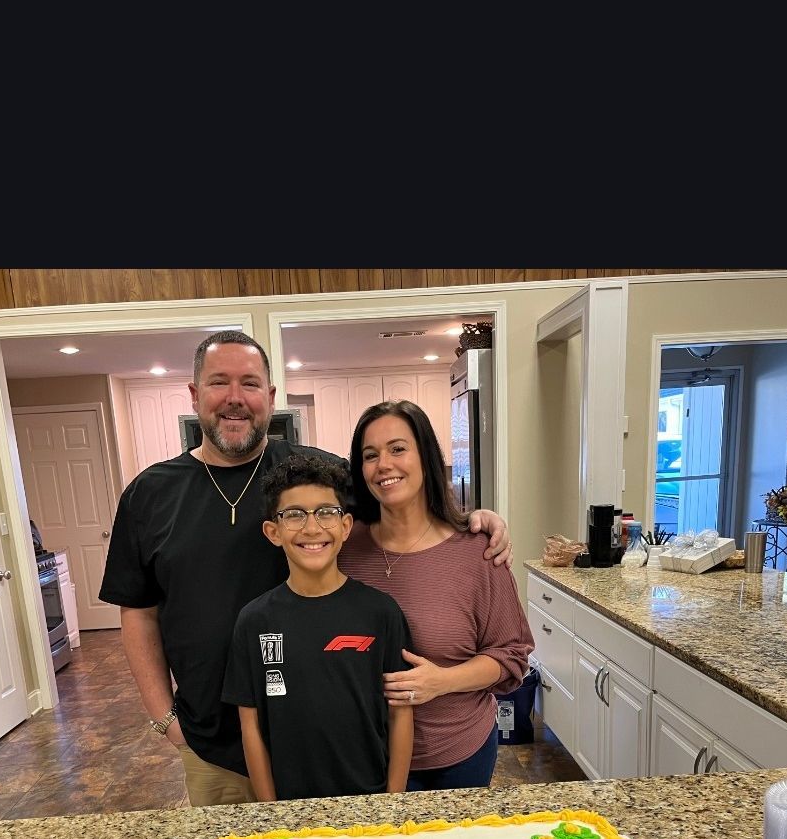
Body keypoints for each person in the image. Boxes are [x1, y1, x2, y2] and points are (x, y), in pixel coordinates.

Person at [98, 330, 513, 806]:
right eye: (219, 383)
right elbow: (138, 613)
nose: (235, 399)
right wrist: (166, 721)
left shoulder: (317, 477)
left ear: (270, 397)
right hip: (212, 745)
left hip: (330, 750)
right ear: (195, 394)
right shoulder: (149, 495)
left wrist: (471, 518)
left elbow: (399, 499)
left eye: (250, 384)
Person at [341, 399, 535, 790]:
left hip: (455, 756)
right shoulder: (342, 547)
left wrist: (441, 681)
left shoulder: (477, 551)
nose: (384, 465)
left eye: (398, 449)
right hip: (365, 755)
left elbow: (511, 657)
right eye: (370, 455)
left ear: (425, 456)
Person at [222, 449, 414, 800]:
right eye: (294, 515)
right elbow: (249, 725)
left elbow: (400, 713)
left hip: (369, 796)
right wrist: (270, 810)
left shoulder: (381, 612)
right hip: (289, 802)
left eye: (325, 513)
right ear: (273, 531)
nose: (312, 528)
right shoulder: (254, 621)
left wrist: (392, 800)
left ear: (344, 526)